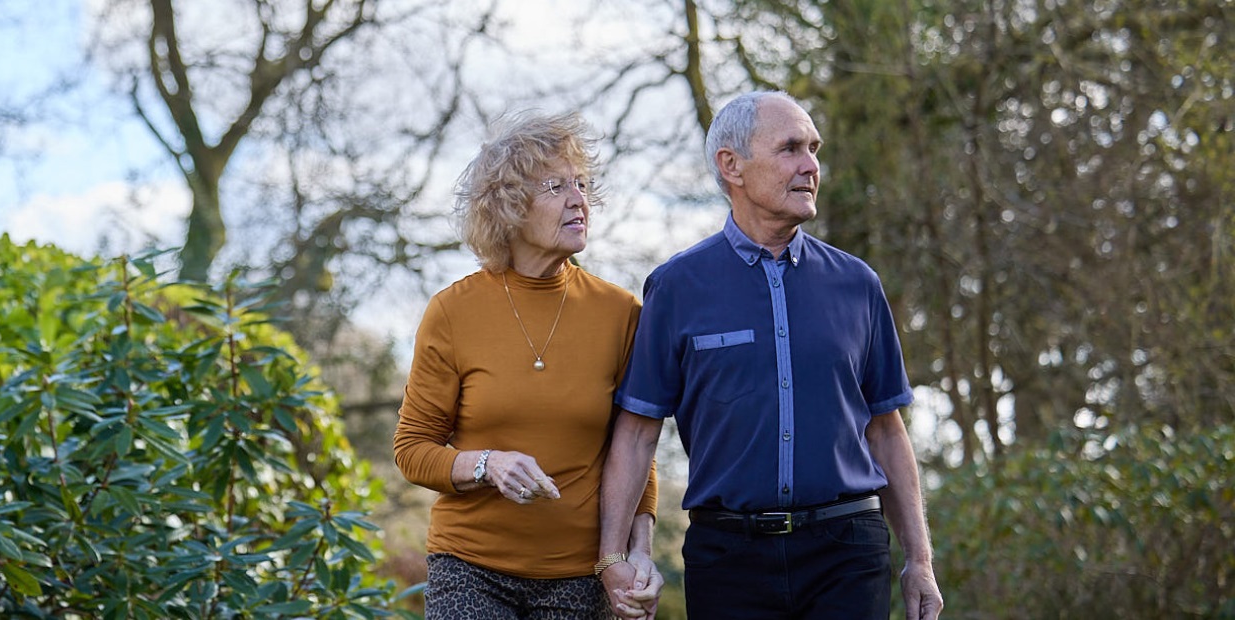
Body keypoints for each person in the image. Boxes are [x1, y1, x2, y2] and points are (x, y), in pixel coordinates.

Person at [598, 91, 944, 620]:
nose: (811, 166)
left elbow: (886, 430)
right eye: (790, 149)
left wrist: (920, 560)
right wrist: (612, 558)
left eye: (814, 149)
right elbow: (637, 433)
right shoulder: (676, 287)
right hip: (727, 557)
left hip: (847, 552)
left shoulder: (857, 284)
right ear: (731, 165)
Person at [393, 111, 664, 619]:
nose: (578, 199)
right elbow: (412, 450)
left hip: (580, 577)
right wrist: (486, 464)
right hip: (469, 569)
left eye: (581, 184)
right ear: (510, 207)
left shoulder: (621, 312)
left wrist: (637, 553)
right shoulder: (452, 312)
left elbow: (634, 447)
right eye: (556, 186)